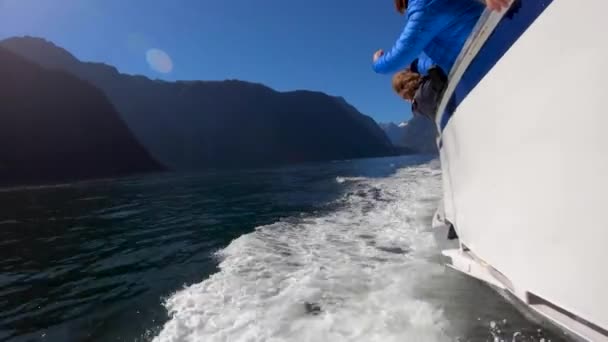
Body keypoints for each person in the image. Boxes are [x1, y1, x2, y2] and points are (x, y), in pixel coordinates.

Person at [372, 0, 485, 76]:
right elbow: (440, 56)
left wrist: (378, 63)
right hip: (488, 42)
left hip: (482, 61)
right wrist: (415, 65)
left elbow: (401, 54)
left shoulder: (424, 7)